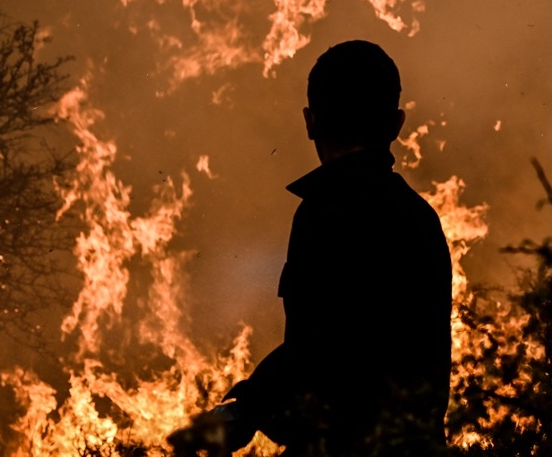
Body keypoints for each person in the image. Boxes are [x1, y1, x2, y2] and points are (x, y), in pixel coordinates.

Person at [169, 40, 452, 456]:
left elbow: (324, 346)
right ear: (397, 124)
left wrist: (246, 410)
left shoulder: (328, 210)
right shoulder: (421, 217)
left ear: (310, 121)